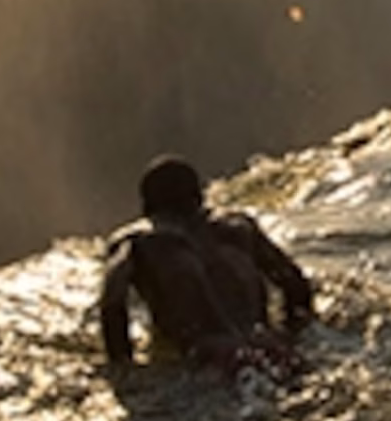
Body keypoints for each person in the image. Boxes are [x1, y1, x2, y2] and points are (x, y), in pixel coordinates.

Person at [99, 156, 314, 379]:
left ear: (147, 208)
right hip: (271, 348)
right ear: (200, 197)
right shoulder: (238, 227)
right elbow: (295, 284)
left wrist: (122, 367)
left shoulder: (137, 242)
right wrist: (291, 334)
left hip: (207, 359)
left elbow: (112, 301)